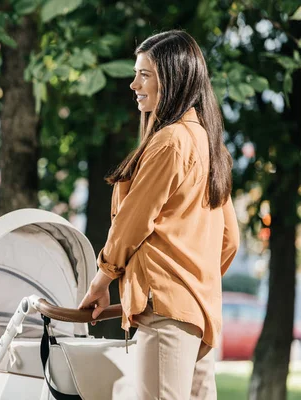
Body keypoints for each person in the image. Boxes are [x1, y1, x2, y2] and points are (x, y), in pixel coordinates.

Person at [78, 30, 240, 400]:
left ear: (174, 77)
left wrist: (100, 282)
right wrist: (195, 279)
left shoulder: (170, 142)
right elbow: (230, 238)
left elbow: (132, 223)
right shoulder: (208, 142)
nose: (134, 83)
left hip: (165, 312)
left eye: (145, 74)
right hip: (198, 316)